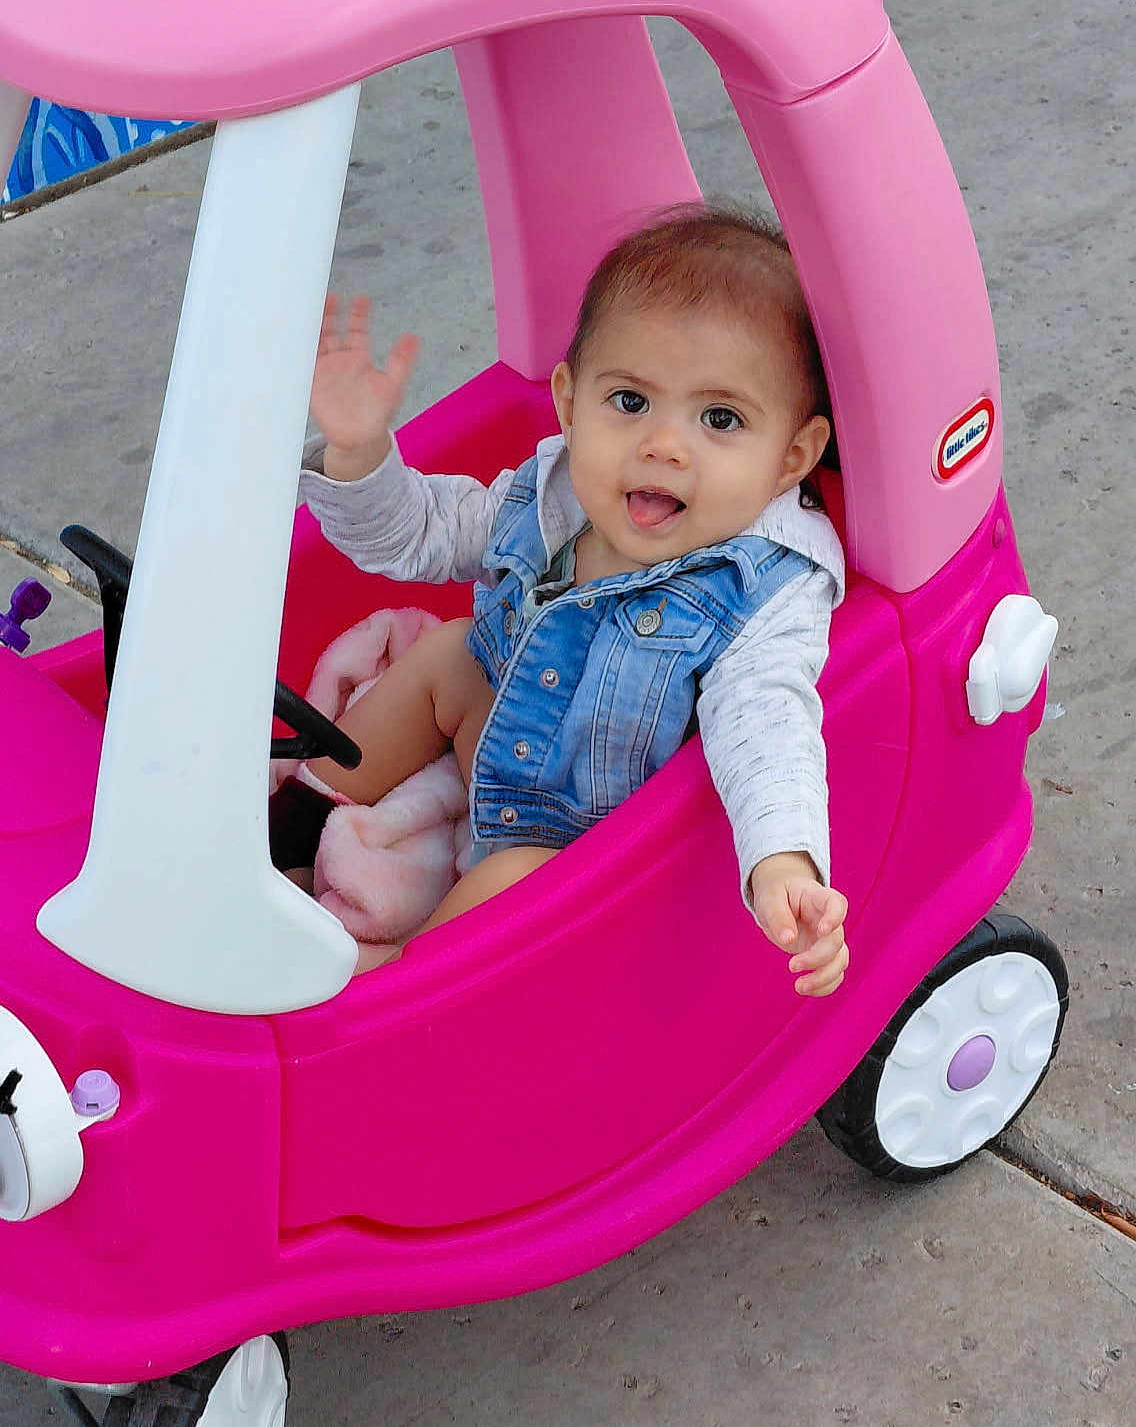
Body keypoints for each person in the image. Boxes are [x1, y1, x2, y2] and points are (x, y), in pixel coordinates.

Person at [292, 203, 849, 992]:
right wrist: (359, 452)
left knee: (514, 875)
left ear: (793, 455)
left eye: (720, 418)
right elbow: (409, 537)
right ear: (568, 400)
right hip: (510, 741)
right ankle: (292, 823)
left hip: (579, 842)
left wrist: (782, 862)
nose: (663, 444)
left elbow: (769, 725)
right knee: (449, 653)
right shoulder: (553, 494)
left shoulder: (764, 587)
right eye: (629, 402)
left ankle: (385, 995)